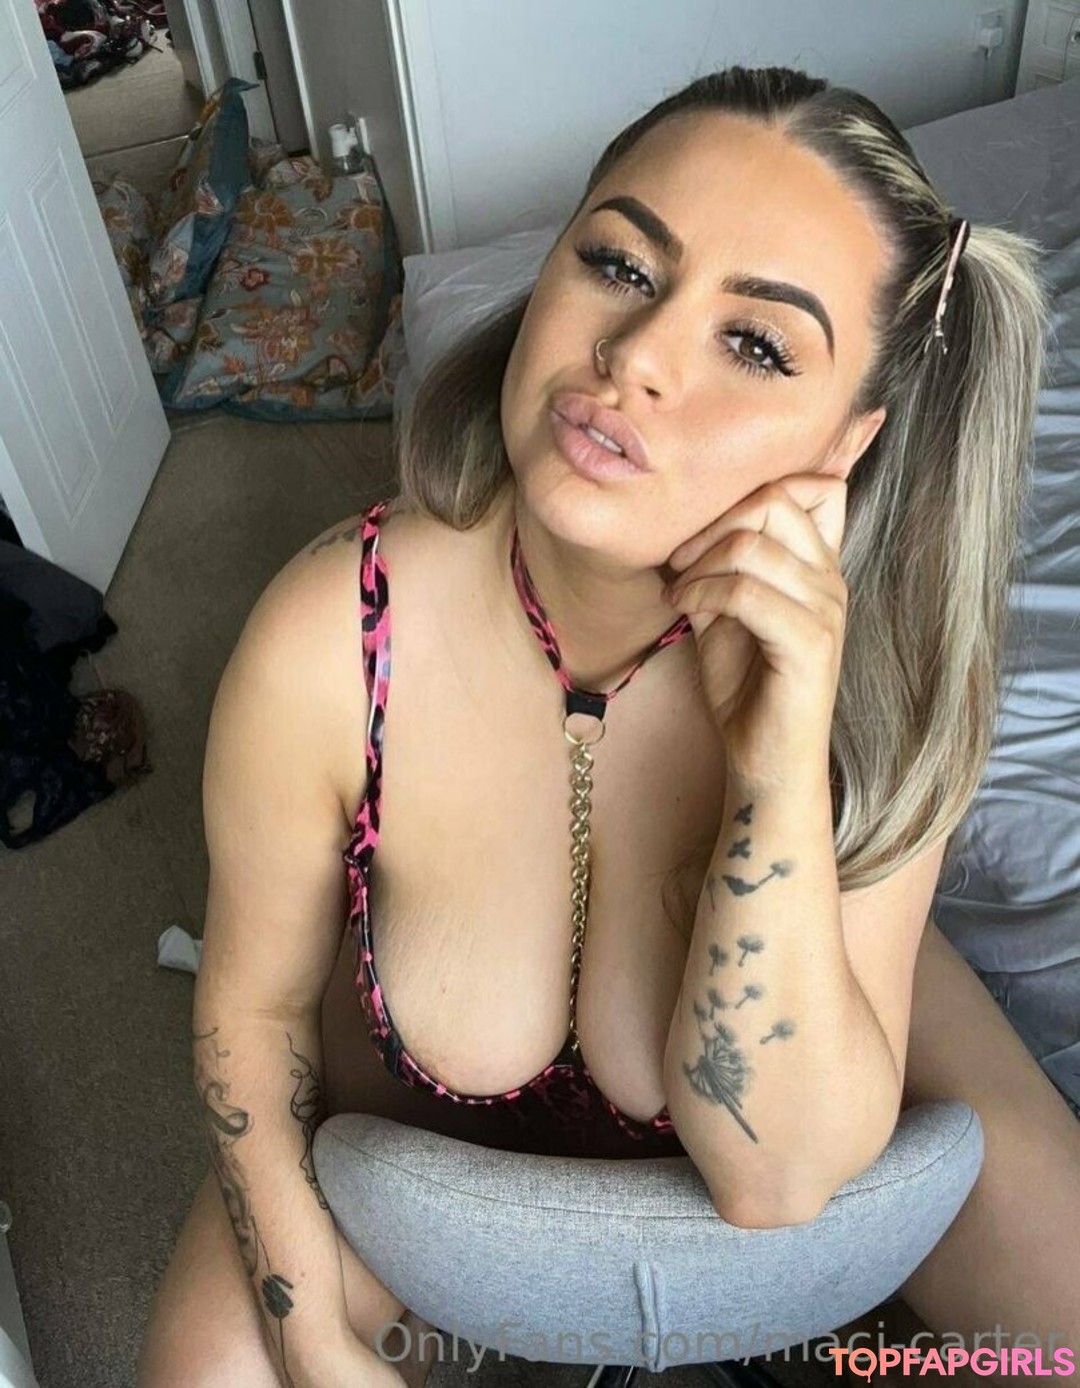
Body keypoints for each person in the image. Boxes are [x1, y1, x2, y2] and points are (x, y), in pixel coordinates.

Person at [137, 65, 1077, 1388]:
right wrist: (312, 1340)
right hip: (405, 1143)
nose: (636, 359)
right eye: (623, 267)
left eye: (756, 345)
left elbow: (775, 1184)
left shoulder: (890, 679)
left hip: (827, 1016)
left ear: (848, 439)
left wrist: (779, 762)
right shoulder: (332, 634)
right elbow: (253, 1014)